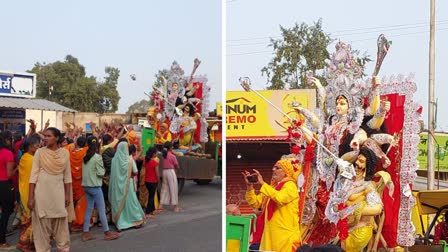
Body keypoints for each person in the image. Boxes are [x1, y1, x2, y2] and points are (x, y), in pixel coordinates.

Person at [28, 127, 72, 252]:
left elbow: (67, 176)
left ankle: (63, 247)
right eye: (44, 136)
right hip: (42, 194)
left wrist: (68, 195)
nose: (45, 138)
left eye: (48, 136)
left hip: (58, 194)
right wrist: (31, 197)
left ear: (57, 138)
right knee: (42, 225)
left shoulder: (65, 153)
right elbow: (33, 176)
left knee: (60, 223)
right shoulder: (40, 152)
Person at [243, 159, 301, 252]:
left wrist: (262, 183)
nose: (273, 169)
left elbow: (280, 198)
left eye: (277, 168)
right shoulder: (272, 188)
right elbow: (255, 203)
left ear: (286, 171)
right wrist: (249, 187)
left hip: (284, 236)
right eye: (273, 167)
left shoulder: (291, 185)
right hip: (269, 234)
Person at [342, 147, 383, 252]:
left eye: (361, 161)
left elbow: (378, 209)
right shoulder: (349, 180)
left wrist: (355, 209)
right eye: (357, 159)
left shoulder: (368, 186)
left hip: (359, 231)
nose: (357, 163)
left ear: (367, 166)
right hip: (344, 227)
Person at [81, 136, 120, 242]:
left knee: (89, 209)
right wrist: (104, 174)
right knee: (101, 209)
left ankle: (85, 233)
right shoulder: (97, 157)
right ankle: (107, 232)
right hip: (95, 186)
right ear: (98, 145)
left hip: (86, 186)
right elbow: (100, 173)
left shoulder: (85, 155)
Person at [108, 141, 145, 231]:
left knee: (119, 203)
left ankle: (119, 224)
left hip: (116, 186)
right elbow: (136, 172)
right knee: (131, 203)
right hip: (128, 186)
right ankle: (135, 221)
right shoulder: (129, 160)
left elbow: (113, 174)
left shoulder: (114, 160)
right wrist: (130, 175)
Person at [16, 135, 41, 251]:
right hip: (30, 193)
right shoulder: (31, 160)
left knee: (28, 221)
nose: (39, 147)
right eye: (37, 145)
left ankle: (29, 244)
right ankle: (25, 244)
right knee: (32, 222)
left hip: (24, 192)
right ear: (31, 147)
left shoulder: (25, 157)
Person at [69, 136, 88, 232]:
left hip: (73, 181)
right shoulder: (85, 151)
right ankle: (79, 222)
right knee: (82, 202)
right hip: (82, 181)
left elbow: (71, 146)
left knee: (76, 201)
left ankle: (74, 221)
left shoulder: (71, 153)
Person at [0, 131, 15, 249]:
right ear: (7, 140)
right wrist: (18, 168)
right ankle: (2, 241)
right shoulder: (8, 153)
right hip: (5, 185)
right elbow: (9, 174)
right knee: (6, 212)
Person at [157, 141, 182, 213]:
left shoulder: (163, 154)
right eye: (172, 146)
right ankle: (175, 207)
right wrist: (178, 166)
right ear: (170, 148)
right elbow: (177, 165)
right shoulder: (172, 156)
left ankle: (160, 205)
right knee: (173, 188)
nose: (173, 147)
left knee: (164, 188)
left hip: (164, 172)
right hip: (170, 172)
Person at [143, 147, 160, 219]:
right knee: (151, 197)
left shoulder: (146, 161)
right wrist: (158, 180)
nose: (157, 154)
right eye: (156, 152)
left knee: (151, 196)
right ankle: (147, 213)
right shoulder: (155, 163)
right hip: (153, 182)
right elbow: (157, 174)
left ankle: (152, 210)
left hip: (147, 181)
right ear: (153, 154)